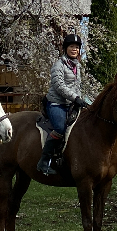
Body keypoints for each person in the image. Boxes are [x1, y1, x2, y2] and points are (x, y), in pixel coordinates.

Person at [37, 33, 92, 176]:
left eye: (77, 47)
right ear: (65, 48)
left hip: (71, 103)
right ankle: (44, 161)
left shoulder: (76, 65)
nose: (74, 49)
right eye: (71, 46)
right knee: (60, 129)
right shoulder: (59, 65)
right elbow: (59, 86)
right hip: (56, 103)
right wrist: (75, 98)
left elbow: (76, 86)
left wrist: (82, 100)